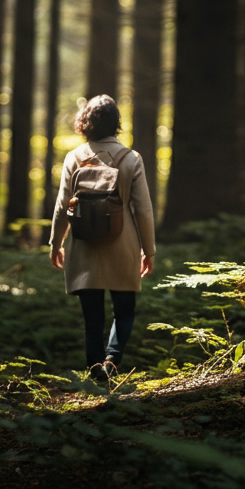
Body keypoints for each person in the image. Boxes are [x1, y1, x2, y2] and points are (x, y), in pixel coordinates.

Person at [49, 94, 156, 382]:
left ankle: (95, 372)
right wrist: (149, 250)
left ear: (85, 123)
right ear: (116, 124)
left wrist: (56, 244)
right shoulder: (131, 158)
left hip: (84, 247)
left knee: (91, 320)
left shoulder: (74, 157)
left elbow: (62, 206)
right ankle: (112, 359)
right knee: (124, 312)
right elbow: (143, 209)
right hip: (124, 245)